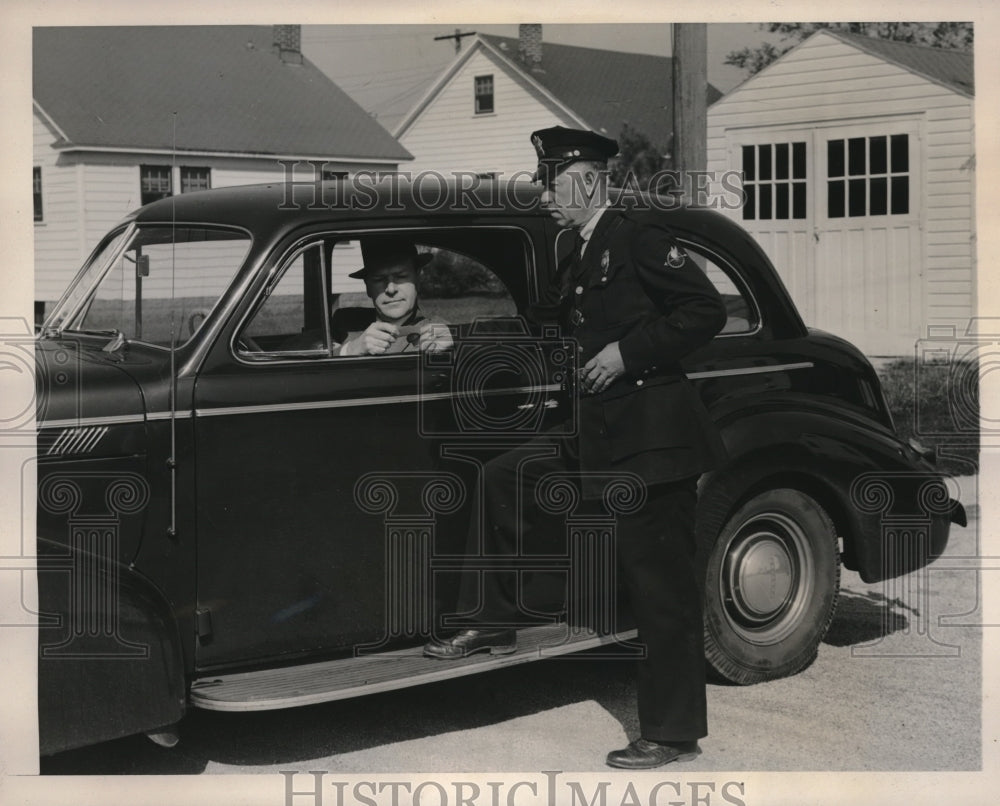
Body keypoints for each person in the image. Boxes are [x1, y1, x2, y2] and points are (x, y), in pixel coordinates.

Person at [423, 126, 728, 770]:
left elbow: (704, 311)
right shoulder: (579, 249)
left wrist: (628, 353)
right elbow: (542, 322)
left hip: (650, 442)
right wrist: (460, 334)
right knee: (506, 476)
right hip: (595, 439)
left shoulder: (639, 239)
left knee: (659, 588)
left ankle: (672, 734)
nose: (541, 193)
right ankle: (495, 620)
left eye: (550, 180)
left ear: (587, 180)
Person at [336, 237, 453, 356]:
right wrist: (350, 350)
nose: (391, 289)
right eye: (379, 279)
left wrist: (452, 349)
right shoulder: (343, 322)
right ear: (367, 286)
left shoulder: (439, 332)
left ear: (417, 279)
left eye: (401, 276)